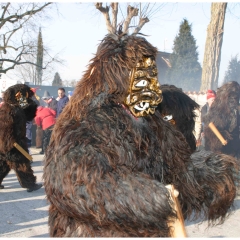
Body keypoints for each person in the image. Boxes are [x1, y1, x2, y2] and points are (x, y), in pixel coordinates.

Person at [43, 33, 238, 237]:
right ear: (120, 80)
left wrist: (209, 174)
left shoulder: (152, 121)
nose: (154, 91)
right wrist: (144, 196)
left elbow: (175, 169)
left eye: (153, 79)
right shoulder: (81, 122)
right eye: (145, 80)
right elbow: (75, 184)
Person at [0, 84, 42, 192]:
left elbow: (28, 115)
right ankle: (30, 184)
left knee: (4, 164)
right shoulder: (9, 110)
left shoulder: (16, 107)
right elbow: (5, 129)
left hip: (10, 143)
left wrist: (29, 103)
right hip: (13, 143)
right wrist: (10, 143)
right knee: (22, 163)